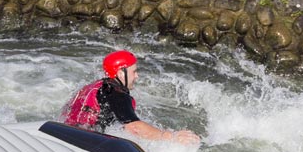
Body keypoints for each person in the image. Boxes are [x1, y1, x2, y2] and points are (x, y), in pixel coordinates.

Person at [60, 50, 201, 145]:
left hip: (66, 135)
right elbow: (134, 127)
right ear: (121, 73)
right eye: (134, 72)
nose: (137, 76)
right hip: (84, 142)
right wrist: (172, 137)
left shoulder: (94, 86)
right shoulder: (115, 93)